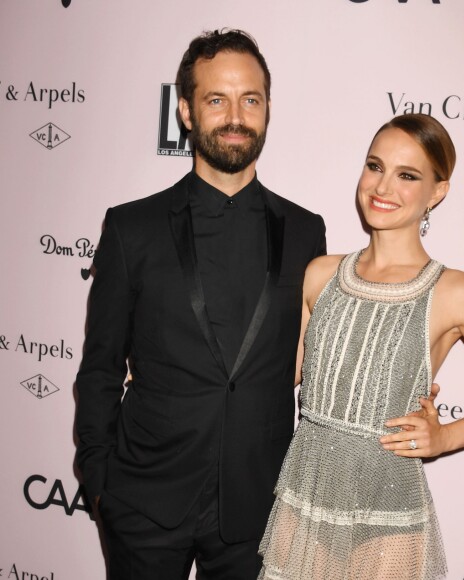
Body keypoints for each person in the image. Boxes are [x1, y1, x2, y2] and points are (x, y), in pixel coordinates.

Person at [75, 29, 326, 580]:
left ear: (267, 109)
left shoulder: (307, 232)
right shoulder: (131, 228)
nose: (235, 116)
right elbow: (99, 369)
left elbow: (312, 362)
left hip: (255, 508)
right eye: (217, 99)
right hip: (144, 502)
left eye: (250, 99)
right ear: (186, 111)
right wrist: (101, 484)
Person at [258, 113, 464, 579]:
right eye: (375, 166)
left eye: (407, 175)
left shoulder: (454, 292)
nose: (383, 186)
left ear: (437, 192)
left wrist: (446, 437)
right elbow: (280, 374)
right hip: (304, 499)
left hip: (387, 512)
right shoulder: (321, 275)